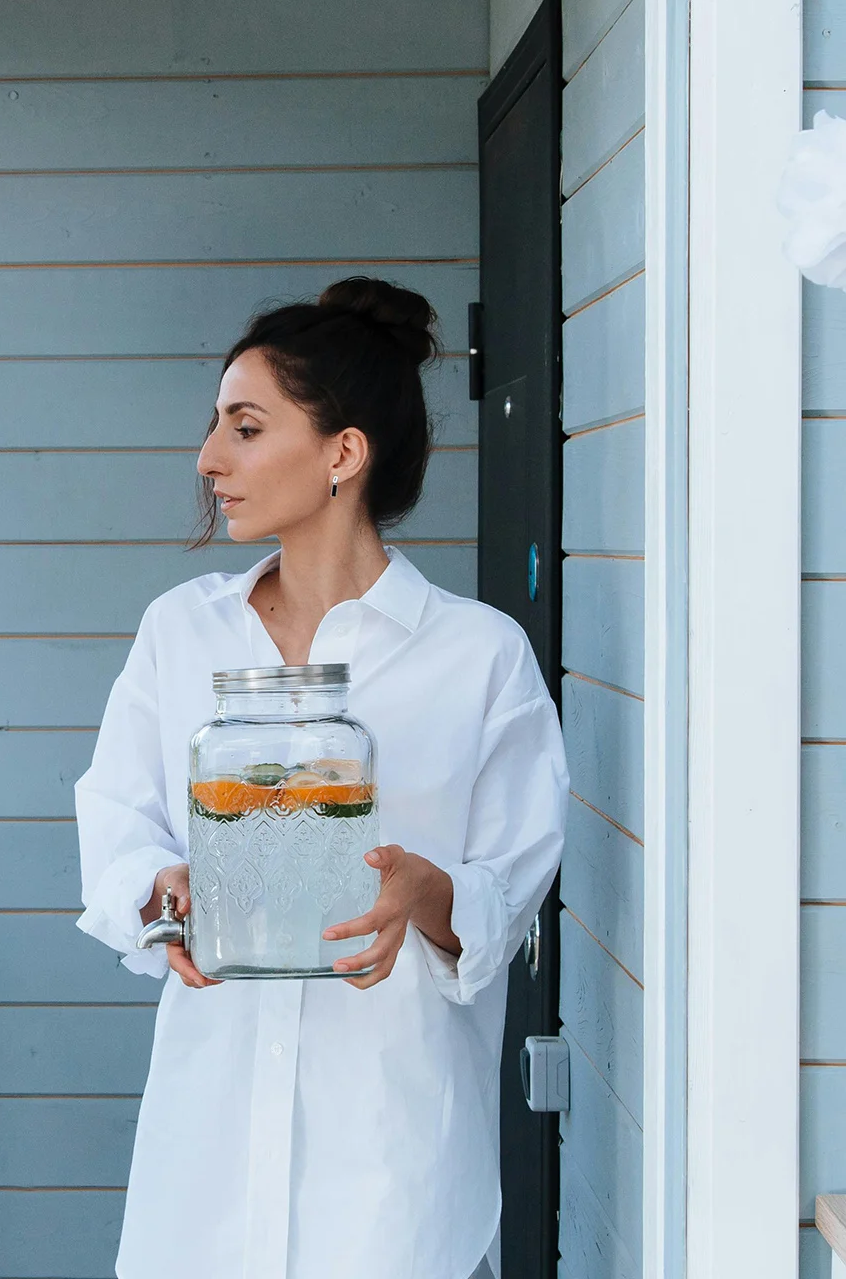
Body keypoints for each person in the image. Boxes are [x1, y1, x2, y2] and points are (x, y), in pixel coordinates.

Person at [75, 277, 568, 1279]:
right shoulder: (181, 632)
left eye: (246, 427)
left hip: (390, 1167)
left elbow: (511, 886)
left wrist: (427, 894)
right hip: (205, 1163)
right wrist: (159, 889)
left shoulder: (477, 657)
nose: (209, 458)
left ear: (343, 453)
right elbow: (117, 820)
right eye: (216, 423)